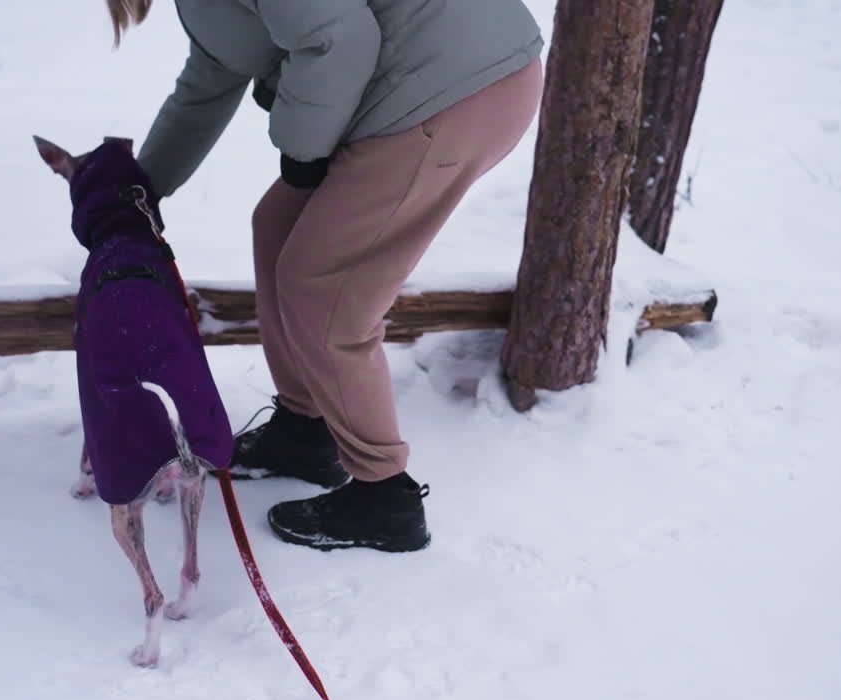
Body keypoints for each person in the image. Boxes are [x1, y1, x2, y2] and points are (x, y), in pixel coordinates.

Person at [110, 0, 544, 553]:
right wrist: (143, 188)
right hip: (422, 79)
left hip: (452, 84)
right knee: (278, 228)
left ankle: (386, 496)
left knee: (325, 288)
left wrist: (305, 149)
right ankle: (303, 430)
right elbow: (212, 74)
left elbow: (338, 37)